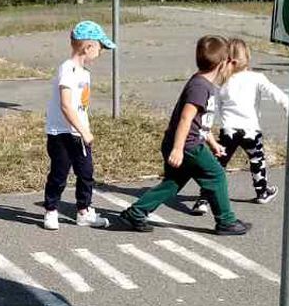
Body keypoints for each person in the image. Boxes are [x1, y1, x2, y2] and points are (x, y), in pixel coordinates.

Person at [120, 35, 251, 236]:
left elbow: (200, 124)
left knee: (172, 184)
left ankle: (136, 212)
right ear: (222, 63)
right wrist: (178, 149)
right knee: (216, 175)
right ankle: (226, 221)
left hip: (186, 143)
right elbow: (185, 119)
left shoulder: (203, 83)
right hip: (188, 146)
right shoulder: (200, 87)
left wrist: (213, 143)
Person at [191, 37, 286, 215]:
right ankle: (262, 191)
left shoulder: (222, 82)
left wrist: (208, 128)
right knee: (257, 160)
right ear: (247, 58)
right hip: (251, 129)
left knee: (218, 165)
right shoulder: (257, 77)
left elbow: (214, 108)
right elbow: (274, 92)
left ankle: (203, 200)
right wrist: (287, 105)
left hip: (229, 130)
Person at [41, 21, 115, 231]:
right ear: (87, 47)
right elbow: (66, 105)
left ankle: (84, 210)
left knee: (86, 173)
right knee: (59, 174)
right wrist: (84, 130)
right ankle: (51, 210)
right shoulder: (68, 69)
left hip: (80, 133)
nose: (101, 52)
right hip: (62, 133)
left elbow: (80, 106)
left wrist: (83, 130)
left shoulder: (85, 73)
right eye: (100, 47)